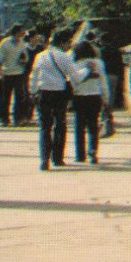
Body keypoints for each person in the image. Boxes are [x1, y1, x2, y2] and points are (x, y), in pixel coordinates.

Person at [30, 28, 80, 170]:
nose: (69, 45)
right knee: (60, 124)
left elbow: (34, 75)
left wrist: (33, 92)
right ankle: (57, 158)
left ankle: (44, 159)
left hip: (43, 92)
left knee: (45, 127)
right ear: (63, 42)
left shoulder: (41, 56)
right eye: (68, 42)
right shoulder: (65, 57)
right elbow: (75, 76)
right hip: (59, 93)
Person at [69, 39, 107, 164]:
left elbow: (73, 82)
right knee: (93, 126)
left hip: (79, 96)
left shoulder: (74, 64)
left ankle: (80, 155)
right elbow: (103, 83)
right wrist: (106, 100)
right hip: (95, 96)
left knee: (79, 127)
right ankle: (93, 151)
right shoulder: (99, 64)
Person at [0, 26, 28, 125]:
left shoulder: (22, 43)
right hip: (7, 73)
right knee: (5, 97)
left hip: (19, 73)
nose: (23, 34)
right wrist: (0, 72)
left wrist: (24, 60)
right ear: (16, 32)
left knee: (19, 97)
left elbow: (26, 56)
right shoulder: (5, 43)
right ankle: (4, 118)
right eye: (22, 32)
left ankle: (18, 118)